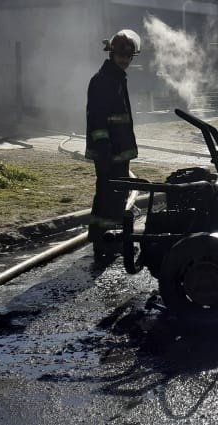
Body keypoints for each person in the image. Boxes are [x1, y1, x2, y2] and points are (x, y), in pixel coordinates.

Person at [86, 29, 141, 266]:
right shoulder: (102, 81)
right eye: (120, 55)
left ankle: (107, 240)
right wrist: (104, 148)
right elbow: (97, 120)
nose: (124, 60)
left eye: (128, 57)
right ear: (112, 54)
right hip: (109, 151)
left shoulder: (117, 78)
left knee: (115, 196)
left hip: (118, 151)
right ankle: (104, 242)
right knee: (108, 195)